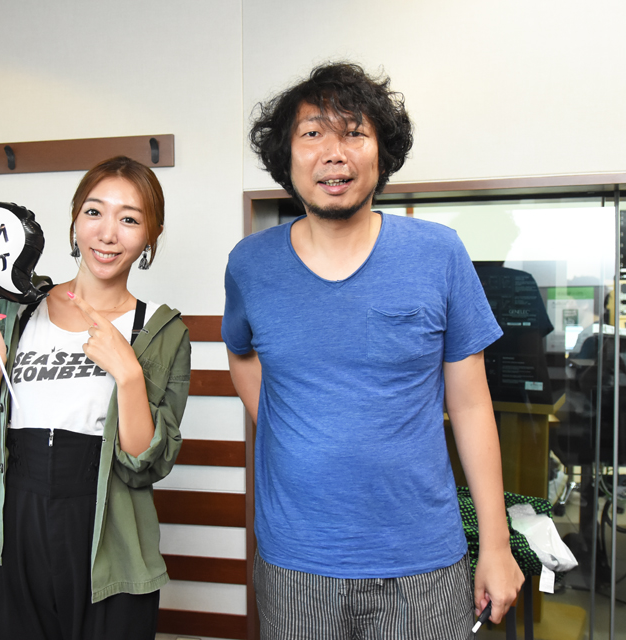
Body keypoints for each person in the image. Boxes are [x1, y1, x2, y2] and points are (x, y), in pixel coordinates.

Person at [222, 63, 524, 639]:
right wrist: (287, 425)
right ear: (286, 156)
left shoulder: (439, 254)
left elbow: (471, 405)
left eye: (354, 132)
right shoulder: (250, 264)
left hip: (423, 561)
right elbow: (241, 352)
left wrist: (496, 543)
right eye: (313, 133)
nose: (334, 153)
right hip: (296, 560)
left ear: (382, 154)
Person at [0, 156, 191, 640]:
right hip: (14, 521)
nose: (107, 234)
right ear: (75, 220)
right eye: (94, 212)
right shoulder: (16, 308)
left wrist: (129, 376)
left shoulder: (162, 331)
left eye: (129, 219)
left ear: (151, 236)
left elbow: (144, 464)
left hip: (108, 531)